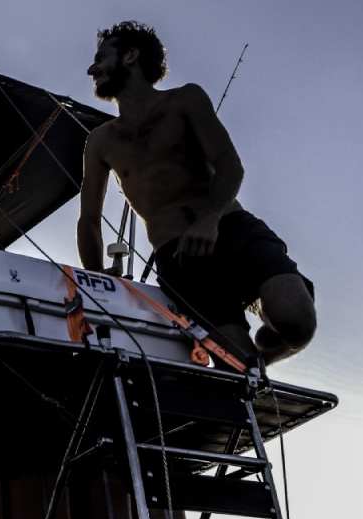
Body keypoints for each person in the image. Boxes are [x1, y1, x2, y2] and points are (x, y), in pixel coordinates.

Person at [77, 21, 316, 365]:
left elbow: (230, 165)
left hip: (231, 227)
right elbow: (89, 220)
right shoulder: (100, 141)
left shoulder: (185, 100)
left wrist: (209, 219)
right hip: (180, 257)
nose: (92, 68)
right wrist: (96, 276)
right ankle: (251, 369)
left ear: (130, 56)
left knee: (298, 323)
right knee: (235, 364)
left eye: (101, 57)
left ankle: (265, 341)